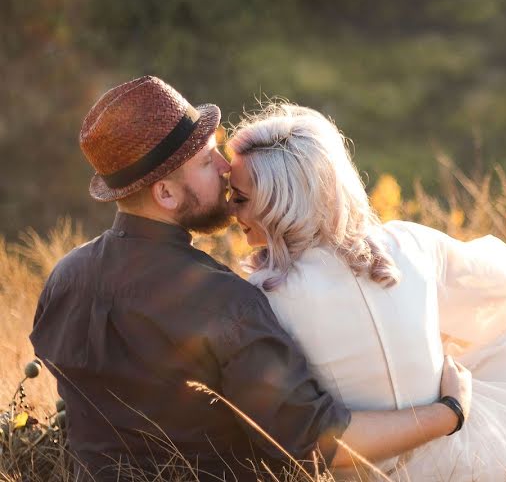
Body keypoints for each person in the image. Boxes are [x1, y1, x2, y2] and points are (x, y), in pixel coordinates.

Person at [30, 76, 472, 482]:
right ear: (165, 193)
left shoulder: (64, 279)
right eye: (207, 161)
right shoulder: (225, 303)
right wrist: (447, 413)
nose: (226, 168)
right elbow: (317, 443)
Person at [226, 101, 506, 481]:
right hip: (457, 454)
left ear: (279, 201)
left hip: (361, 469)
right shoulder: (407, 243)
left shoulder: (263, 295)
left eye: (241, 198)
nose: (231, 209)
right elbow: (505, 282)